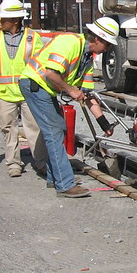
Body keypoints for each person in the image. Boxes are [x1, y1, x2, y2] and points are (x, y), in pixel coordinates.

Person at [19, 17, 118, 198]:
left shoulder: (87, 59)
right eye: (108, 44)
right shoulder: (70, 43)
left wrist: (103, 123)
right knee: (54, 132)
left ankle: (55, 177)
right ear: (98, 39)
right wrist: (70, 90)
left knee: (59, 129)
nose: (109, 49)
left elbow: (88, 96)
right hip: (34, 84)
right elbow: (51, 73)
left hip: (44, 88)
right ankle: (64, 184)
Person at [0, 0, 47, 177]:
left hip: (28, 92)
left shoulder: (32, 38)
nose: (0, 22)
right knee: (8, 128)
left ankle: (41, 161)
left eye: (4, 19)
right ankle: (13, 163)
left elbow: (41, 66)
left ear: (15, 20)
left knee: (34, 128)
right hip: (4, 93)